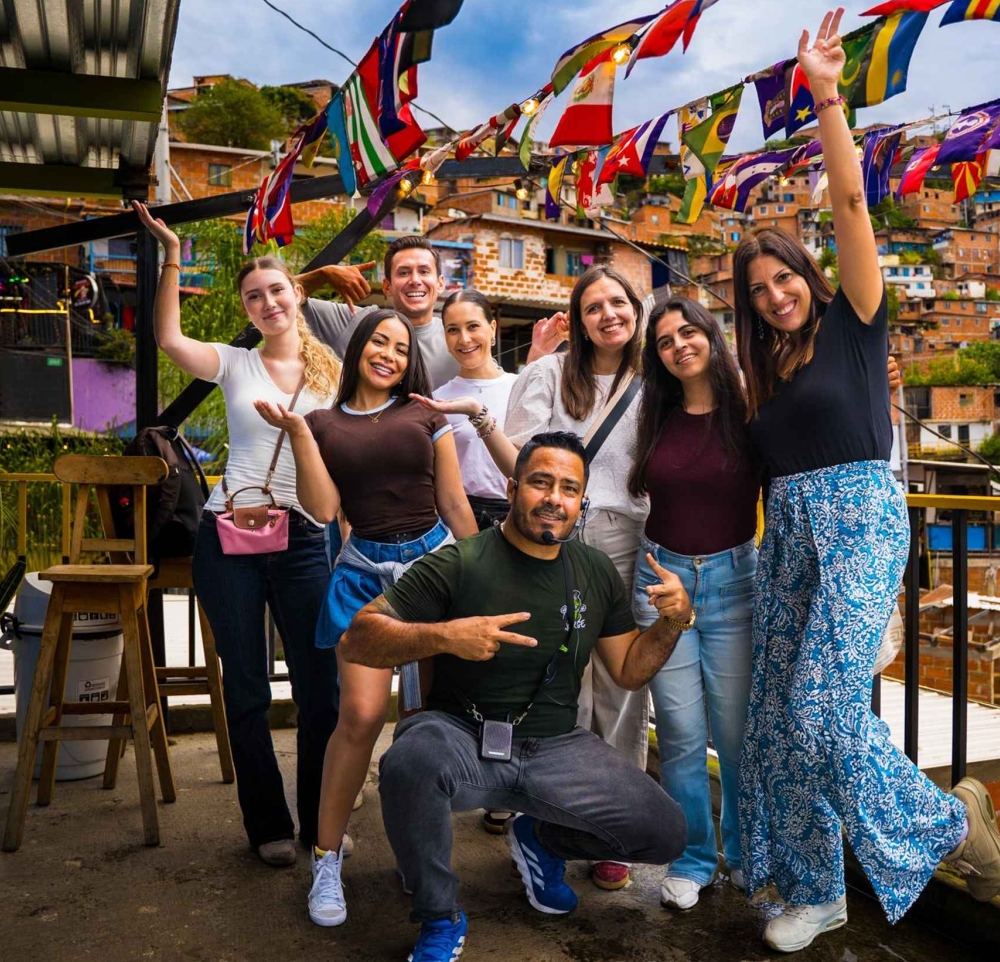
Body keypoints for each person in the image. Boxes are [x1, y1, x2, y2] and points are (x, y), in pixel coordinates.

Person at [730, 13, 1000, 954]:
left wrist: (826, 97)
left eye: (783, 278)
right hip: (786, 535)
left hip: (859, 519)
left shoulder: (856, 320)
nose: (775, 295)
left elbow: (850, 201)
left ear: (806, 275)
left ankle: (949, 823)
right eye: (758, 290)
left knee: (822, 708)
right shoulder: (762, 372)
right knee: (780, 720)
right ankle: (816, 890)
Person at [345, 431, 692, 962]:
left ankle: (541, 841)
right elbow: (357, 639)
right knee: (409, 763)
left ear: (581, 502)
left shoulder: (595, 570)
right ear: (512, 488)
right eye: (540, 483)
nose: (554, 498)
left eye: (569, 489)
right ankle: (439, 915)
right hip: (460, 735)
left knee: (666, 832)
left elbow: (628, 670)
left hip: (555, 745)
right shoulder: (461, 561)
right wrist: (445, 636)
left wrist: (673, 621)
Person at [133, 201, 360, 877]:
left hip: (307, 538)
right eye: (254, 296)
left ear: (298, 296)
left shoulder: (335, 373)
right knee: (248, 689)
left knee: (321, 690)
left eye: (277, 290)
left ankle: (320, 820)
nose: (268, 303)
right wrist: (173, 255)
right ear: (247, 309)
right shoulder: (234, 363)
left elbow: (349, 462)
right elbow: (169, 338)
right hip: (230, 537)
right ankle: (267, 824)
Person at [254, 309, 478, 929]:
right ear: (358, 348)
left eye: (401, 348)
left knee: (424, 725)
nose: (389, 354)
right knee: (357, 716)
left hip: (433, 569)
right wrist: (299, 434)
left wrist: (485, 575)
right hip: (362, 576)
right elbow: (324, 508)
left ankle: (418, 854)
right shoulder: (323, 423)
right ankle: (326, 859)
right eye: (379, 341)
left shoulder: (425, 415)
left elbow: (453, 500)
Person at [503, 266, 652, 893]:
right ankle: (546, 825)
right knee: (555, 680)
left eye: (618, 303)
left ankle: (612, 831)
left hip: (626, 536)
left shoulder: (656, 379)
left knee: (621, 685)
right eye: (593, 307)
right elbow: (518, 452)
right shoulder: (548, 373)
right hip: (555, 537)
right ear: (578, 319)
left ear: (637, 311)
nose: (608, 315)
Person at [626, 296, 759, 912]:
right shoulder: (654, 412)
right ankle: (692, 859)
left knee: (734, 736)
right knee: (679, 735)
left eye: (688, 332)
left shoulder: (750, 410)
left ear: (711, 335)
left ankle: (747, 854)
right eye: (664, 341)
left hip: (735, 583)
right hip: (662, 581)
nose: (679, 345)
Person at [415, 289, 520, 532]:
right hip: (461, 517)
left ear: (492, 328)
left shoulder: (521, 387)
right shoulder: (437, 401)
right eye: (453, 330)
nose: (464, 339)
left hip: (520, 512)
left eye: (473, 326)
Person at [296, 235, 460, 384]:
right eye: (404, 273)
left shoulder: (457, 338)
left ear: (440, 283)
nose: (415, 280)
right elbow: (283, 298)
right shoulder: (355, 321)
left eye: (424, 271)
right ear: (387, 286)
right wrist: (323, 274)